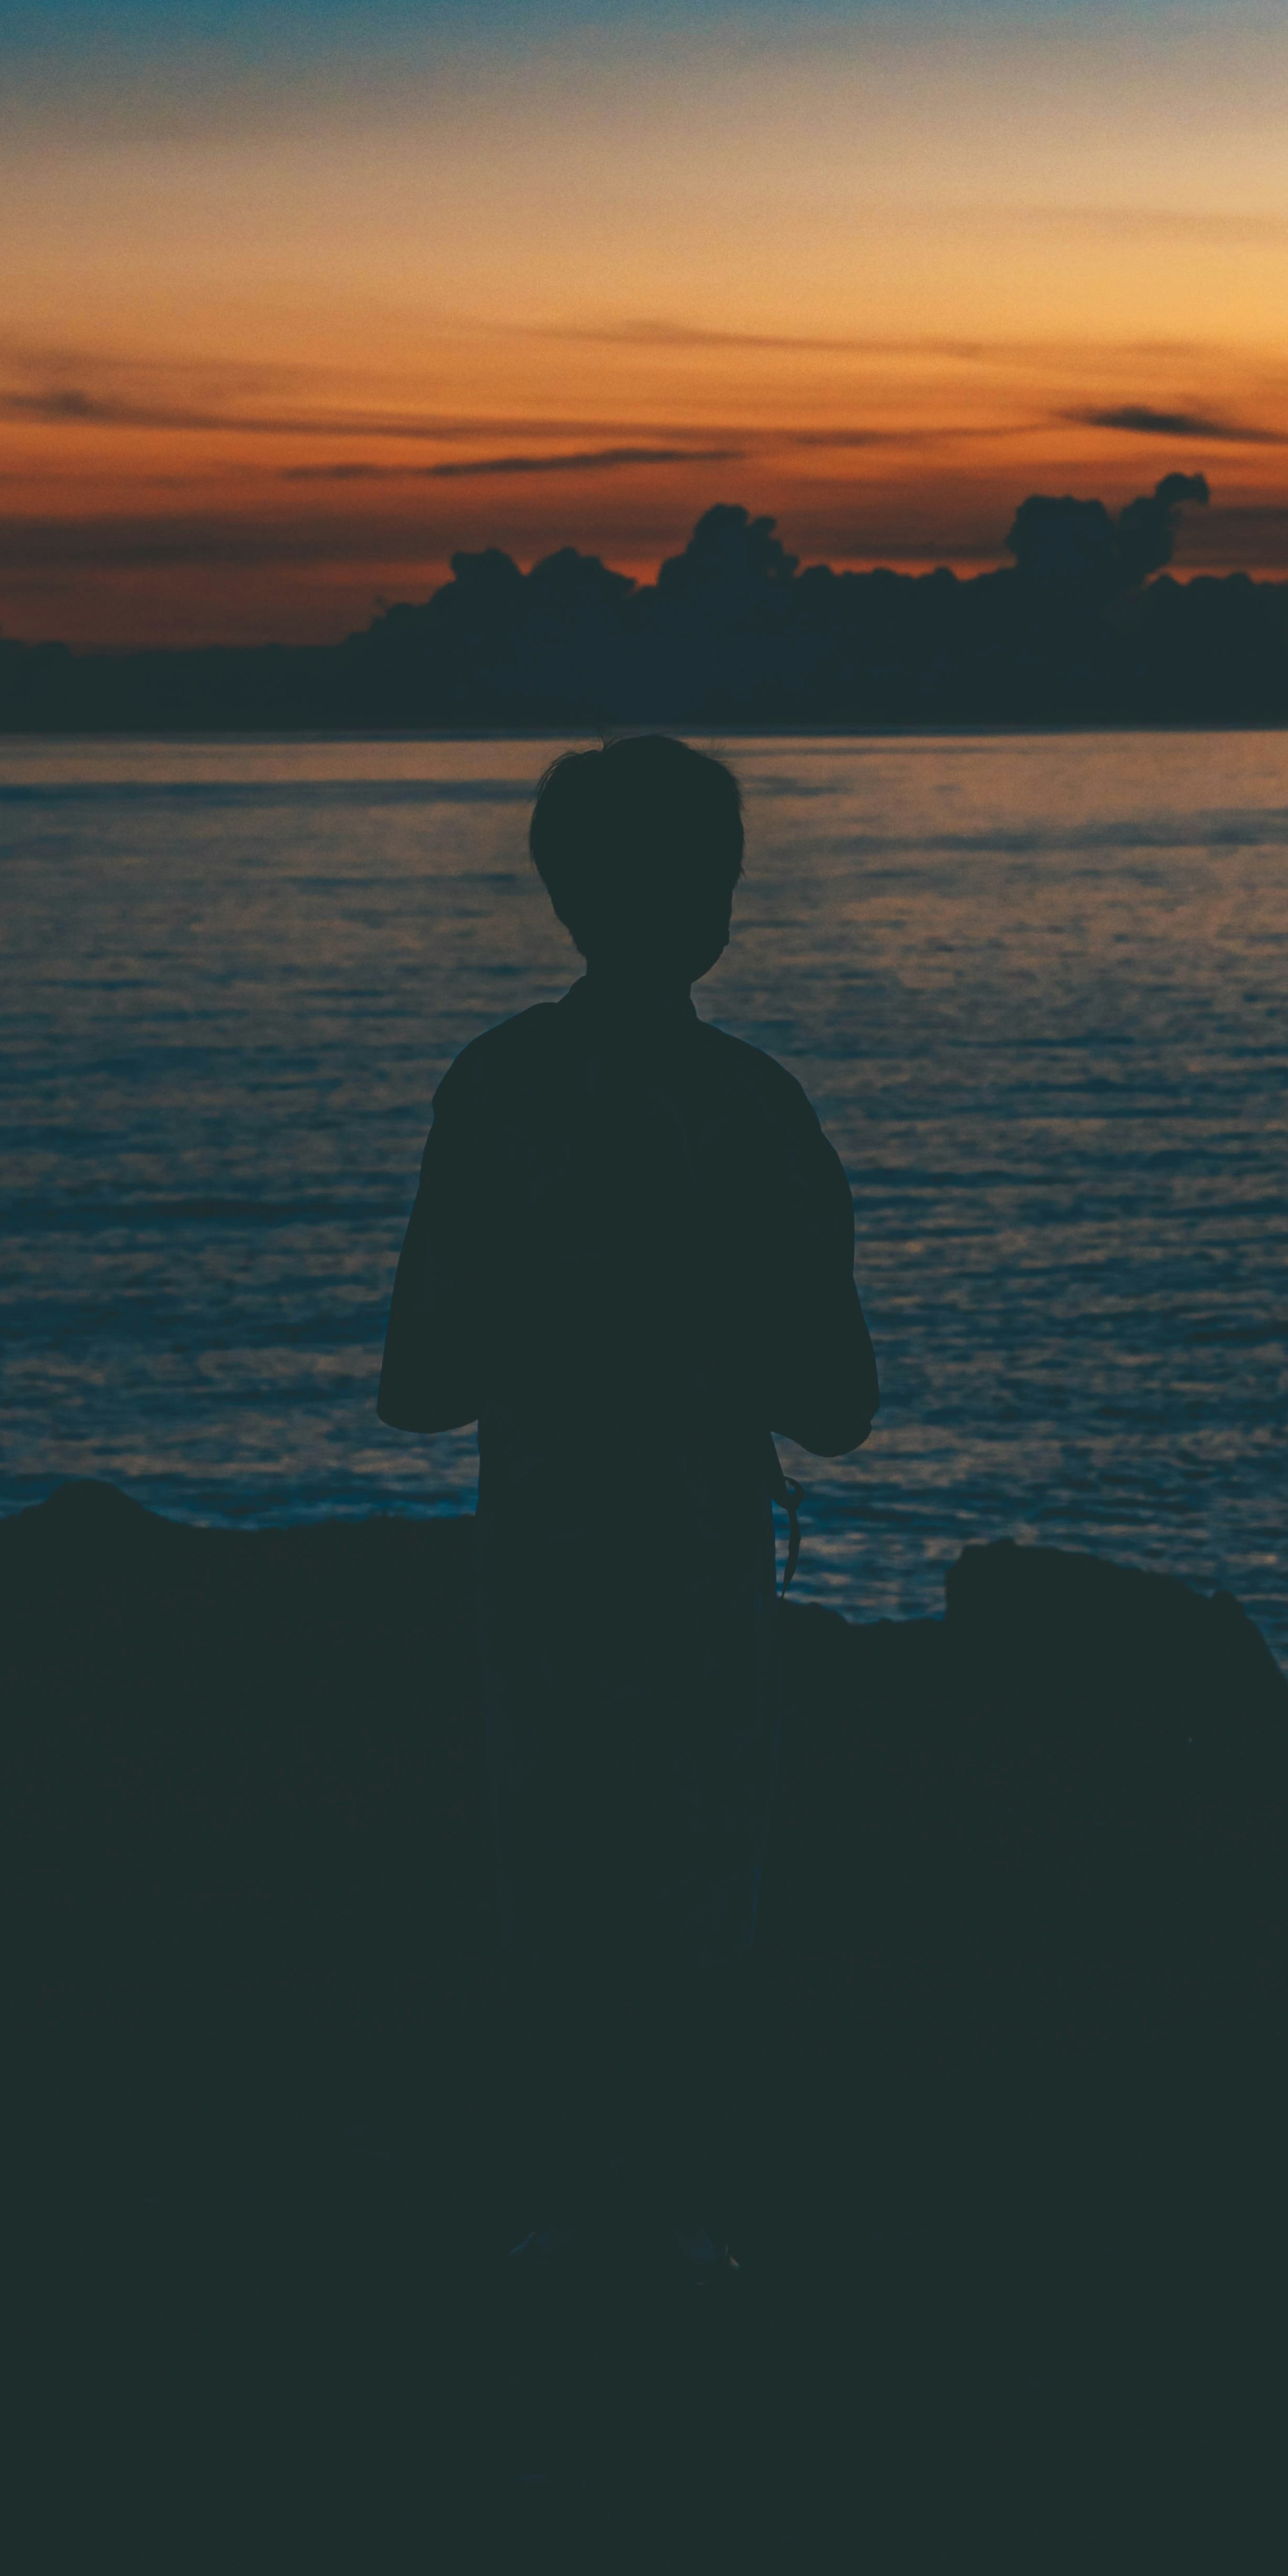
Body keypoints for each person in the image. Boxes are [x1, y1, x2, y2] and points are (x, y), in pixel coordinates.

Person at [378, 735, 876, 2271]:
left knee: (556, 1880)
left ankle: (561, 2215)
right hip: (695, 1561)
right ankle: (675, 2225)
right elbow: (839, 1405)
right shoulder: (753, 1108)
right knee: (694, 1886)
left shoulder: (500, 1087)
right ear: (715, 900)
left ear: (564, 896)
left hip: (541, 1558)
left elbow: (417, 1382)